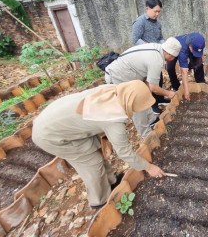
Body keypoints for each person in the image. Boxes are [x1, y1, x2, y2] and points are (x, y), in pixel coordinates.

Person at [32, 81, 166, 210]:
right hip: (50, 135)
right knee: (92, 162)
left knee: (94, 148)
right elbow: (124, 152)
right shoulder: (114, 118)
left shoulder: (116, 90)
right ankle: (100, 201)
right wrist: (148, 167)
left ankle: (111, 182)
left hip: (55, 118)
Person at [105, 38, 182, 137]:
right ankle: (146, 134)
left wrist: (147, 89)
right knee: (137, 102)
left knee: (143, 93)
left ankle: (151, 119)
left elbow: (148, 85)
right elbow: (153, 88)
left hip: (128, 73)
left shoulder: (157, 48)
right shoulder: (156, 60)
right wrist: (169, 94)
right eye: (174, 57)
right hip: (117, 76)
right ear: (169, 54)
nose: (173, 60)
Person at [132, 0, 167, 114]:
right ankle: (152, 105)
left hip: (156, 55)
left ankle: (160, 98)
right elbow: (135, 39)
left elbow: (160, 38)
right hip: (145, 57)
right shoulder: (140, 22)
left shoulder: (158, 24)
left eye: (159, 12)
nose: (157, 14)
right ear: (147, 9)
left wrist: (163, 45)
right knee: (150, 81)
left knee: (158, 77)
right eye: (155, 11)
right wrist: (150, 46)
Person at [166, 33, 206, 101]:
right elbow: (184, 72)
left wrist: (201, 55)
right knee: (170, 67)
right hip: (174, 48)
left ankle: (200, 82)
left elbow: (200, 48)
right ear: (190, 46)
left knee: (198, 63)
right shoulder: (182, 50)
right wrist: (186, 91)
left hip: (189, 46)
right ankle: (176, 86)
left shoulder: (199, 39)